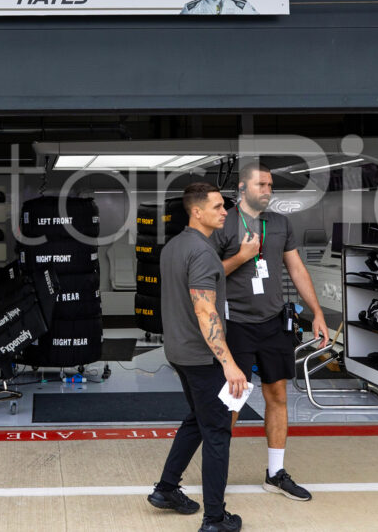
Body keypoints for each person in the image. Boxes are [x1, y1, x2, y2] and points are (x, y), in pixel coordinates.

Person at [214, 163, 329, 502]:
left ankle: (275, 474)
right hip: (235, 324)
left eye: (270, 184)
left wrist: (317, 313)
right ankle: (216, 475)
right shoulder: (223, 222)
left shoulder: (279, 223)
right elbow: (209, 273)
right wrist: (241, 256)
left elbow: (296, 268)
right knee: (232, 402)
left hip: (274, 323)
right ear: (242, 187)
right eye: (261, 184)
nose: (267, 190)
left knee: (277, 396)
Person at [148, 182, 246, 532]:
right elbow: (206, 312)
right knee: (218, 432)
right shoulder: (202, 254)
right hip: (202, 359)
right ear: (197, 212)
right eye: (218, 206)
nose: (224, 212)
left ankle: (166, 489)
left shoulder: (174, 247)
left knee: (197, 420)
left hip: (178, 352)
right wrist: (229, 363)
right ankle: (215, 519)